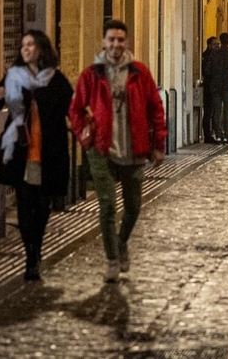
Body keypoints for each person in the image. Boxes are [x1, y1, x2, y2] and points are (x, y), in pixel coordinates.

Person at [68, 20, 167, 283]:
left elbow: (155, 109)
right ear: (103, 42)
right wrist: (84, 136)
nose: (116, 45)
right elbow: (75, 109)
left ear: (126, 43)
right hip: (101, 150)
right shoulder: (92, 75)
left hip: (134, 150)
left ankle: (121, 242)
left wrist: (159, 145)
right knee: (108, 205)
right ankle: (112, 258)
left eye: (120, 40)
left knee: (133, 207)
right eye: (111, 39)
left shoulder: (140, 73)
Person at [0, 30, 73, 281]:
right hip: (21, 151)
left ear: (42, 49)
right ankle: (31, 255)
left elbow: (72, 109)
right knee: (24, 202)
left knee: (42, 205)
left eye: (30, 44)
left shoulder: (56, 80)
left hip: (48, 152)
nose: (25, 49)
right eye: (23, 45)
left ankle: (36, 247)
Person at [199, 35, 219, 143]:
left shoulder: (217, 56)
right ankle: (207, 135)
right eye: (215, 44)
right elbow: (206, 73)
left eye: (218, 44)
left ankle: (213, 133)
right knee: (208, 112)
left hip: (215, 88)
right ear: (209, 45)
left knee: (214, 112)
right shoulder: (206, 57)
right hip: (209, 88)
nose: (217, 46)